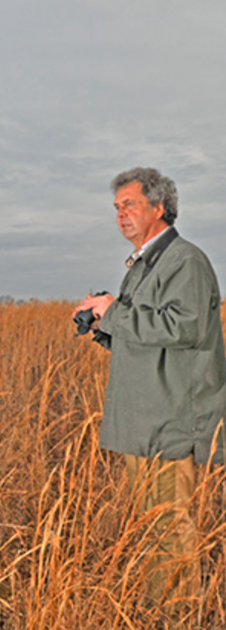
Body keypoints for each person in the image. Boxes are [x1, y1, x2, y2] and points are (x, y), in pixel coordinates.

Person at [74, 167, 226, 613]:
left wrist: (115, 311)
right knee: (154, 528)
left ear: (159, 208)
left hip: (172, 423)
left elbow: (187, 326)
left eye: (130, 205)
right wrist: (104, 325)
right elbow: (149, 338)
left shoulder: (185, 261)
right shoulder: (148, 262)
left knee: (171, 530)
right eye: (117, 207)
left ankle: (179, 617)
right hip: (146, 423)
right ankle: (163, 611)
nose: (120, 214)